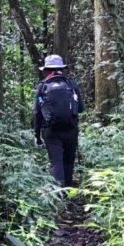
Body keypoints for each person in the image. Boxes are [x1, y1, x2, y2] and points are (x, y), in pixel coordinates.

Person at [33, 55, 84, 187]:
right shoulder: (71, 84)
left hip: (51, 131)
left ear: (46, 70)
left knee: (56, 162)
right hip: (71, 129)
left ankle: (58, 195)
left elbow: (37, 113)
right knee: (68, 160)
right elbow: (81, 109)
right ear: (62, 69)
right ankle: (68, 191)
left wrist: (37, 136)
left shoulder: (42, 86)